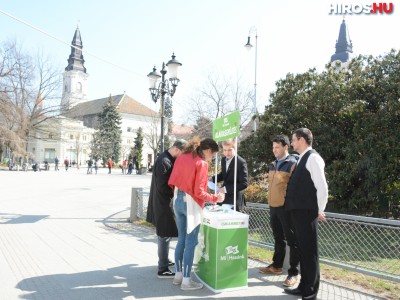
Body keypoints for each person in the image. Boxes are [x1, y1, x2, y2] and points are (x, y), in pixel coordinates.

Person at [168, 137, 225, 291]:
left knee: (181, 239)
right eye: (212, 155)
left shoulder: (183, 156)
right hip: (191, 203)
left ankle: (178, 275)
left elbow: (173, 180)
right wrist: (215, 198)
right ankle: (187, 281)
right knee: (191, 242)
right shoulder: (202, 163)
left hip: (177, 199)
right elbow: (199, 192)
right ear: (207, 151)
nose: (211, 158)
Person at [284, 128, 328, 300]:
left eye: (293, 140)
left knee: (310, 253)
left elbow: (322, 188)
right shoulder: (303, 158)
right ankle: (303, 286)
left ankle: (310, 292)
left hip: (307, 213)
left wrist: (320, 210)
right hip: (299, 213)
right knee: (303, 251)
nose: (292, 143)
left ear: (301, 140)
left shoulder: (314, 158)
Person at [259, 135, 300, 288]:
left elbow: (296, 189)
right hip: (273, 206)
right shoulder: (272, 164)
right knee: (278, 237)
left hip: (286, 208)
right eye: (273, 147)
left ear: (285, 147)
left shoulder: (293, 164)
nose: (274, 150)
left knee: (292, 240)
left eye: (277, 147)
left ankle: (293, 273)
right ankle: (276, 266)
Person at [146, 139, 187, 279]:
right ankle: (162, 268)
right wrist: (177, 190)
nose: (181, 157)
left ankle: (165, 260)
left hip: (163, 202)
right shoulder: (165, 161)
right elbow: (163, 186)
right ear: (176, 149)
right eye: (181, 154)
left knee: (166, 234)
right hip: (163, 203)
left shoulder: (166, 158)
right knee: (164, 235)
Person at [211, 138, 248, 211]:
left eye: (229, 150)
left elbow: (244, 183)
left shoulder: (241, 162)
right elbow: (224, 174)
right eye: (225, 150)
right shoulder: (223, 160)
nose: (227, 153)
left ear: (235, 149)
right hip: (224, 198)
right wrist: (212, 179)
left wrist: (225, 189)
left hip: (234, 200)